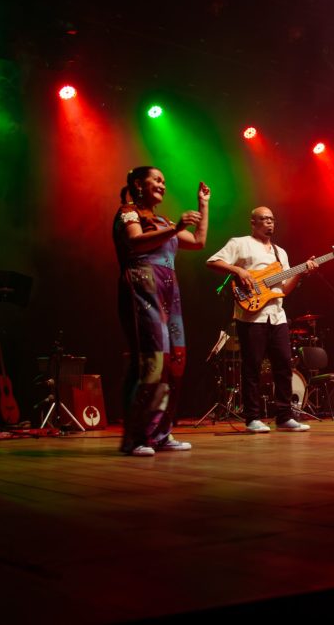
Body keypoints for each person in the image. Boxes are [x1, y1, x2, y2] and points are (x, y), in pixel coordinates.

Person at [113, 166, 210, 456]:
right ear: (138, 184)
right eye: (156, 179)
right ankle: (137, 438)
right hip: (143, 289)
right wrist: (177, 228)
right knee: (152, 363)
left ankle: (161, 433)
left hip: (170, 294)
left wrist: (203, 206)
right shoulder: (128, 212)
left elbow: (199, 242)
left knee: (174, 363)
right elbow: (134, 242)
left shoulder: (162, 220)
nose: (162, 185)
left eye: (164, 181)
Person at [206, 206, 317, 433]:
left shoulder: (280, 253)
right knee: (252, 368)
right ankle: (252, 418)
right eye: (264, 219)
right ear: (253, 222)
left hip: (277, 315)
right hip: (251, 315)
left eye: (272, 219)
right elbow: (212, 261)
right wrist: (239, 271)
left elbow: (284, 289)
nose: (269, 223)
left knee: (284, 366)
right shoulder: (240, 243)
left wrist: (301, 272)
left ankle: (284, 417)